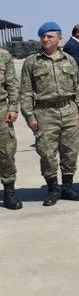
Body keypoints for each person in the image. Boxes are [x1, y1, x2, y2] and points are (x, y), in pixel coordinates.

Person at [20, 21, 79, 206]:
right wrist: (30, 116)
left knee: (70, 151)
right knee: (47, 153)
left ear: (59, 37)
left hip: (68, 109)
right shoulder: (32, 62)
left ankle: (67, 187)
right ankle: (52, 189)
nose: (46, 39)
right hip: (44, 111)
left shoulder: (69, 60)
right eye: (43, 36)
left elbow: (77, 89)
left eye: (50, 36)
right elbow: (25, 92)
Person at [1, 46, 21, 210]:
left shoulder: (3, 55)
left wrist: (13, 107)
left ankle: (9, 192)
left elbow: (12, 83)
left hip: (1, 110)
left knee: (6, 152)